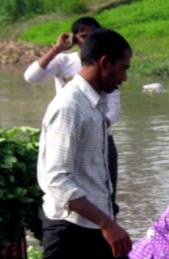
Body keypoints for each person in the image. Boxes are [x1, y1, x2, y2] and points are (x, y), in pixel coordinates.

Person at [0, 29, 145, 259]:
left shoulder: (95, 105)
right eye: (122, 69)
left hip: (96, 224)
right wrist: (107, 223)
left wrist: (108, 217)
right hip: (69, 226)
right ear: (103, 63)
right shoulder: (69, 107)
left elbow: (92, 174)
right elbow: (57, 180)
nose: (124, 77)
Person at [24, 16, 122, 215]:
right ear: (75, 39)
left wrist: (94, 124)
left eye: (93, 35)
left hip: (101, 135)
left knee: (105, 191)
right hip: (67, 129)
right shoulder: (63, 62)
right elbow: (31, 77)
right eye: (83, 36)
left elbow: (113, 109)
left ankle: (106, 225)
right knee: (62, 181)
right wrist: (56, 49)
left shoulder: (107, 67)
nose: (88, 40)